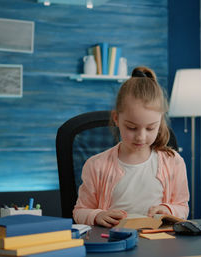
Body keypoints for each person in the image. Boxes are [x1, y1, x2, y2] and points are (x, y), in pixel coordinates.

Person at [73, 66, 190, 227]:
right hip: (114, 243)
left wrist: (167, 210)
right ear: (116, 118)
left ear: (160, 121)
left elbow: (182, 207)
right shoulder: (96, 165)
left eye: (150, 128)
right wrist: (97, 215)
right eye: (131, 127)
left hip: (159, 244)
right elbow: (79, 211)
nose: (141, 136)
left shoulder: (173, 162)